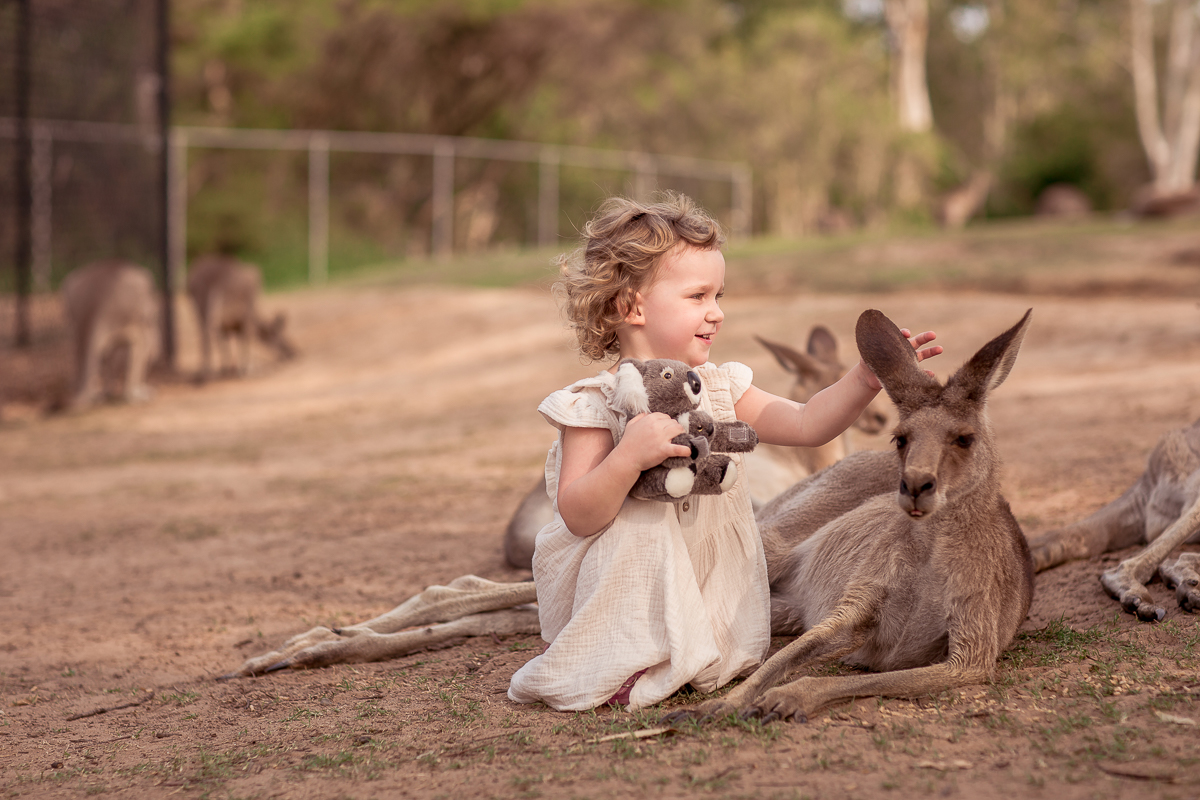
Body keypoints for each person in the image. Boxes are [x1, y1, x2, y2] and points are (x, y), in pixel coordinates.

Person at [508, 193, 941, 711]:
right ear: (630, 306)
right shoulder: (594, 405)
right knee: (627, 614)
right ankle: (623, 652)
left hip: (703, 572)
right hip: (627, 587)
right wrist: (626, 459)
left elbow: (808, 424)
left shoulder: (720, 389)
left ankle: (697, 641)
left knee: (719, 652)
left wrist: (865, 378)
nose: (716, 314)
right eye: (697, 297)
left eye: (719, 296)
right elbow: (577, 515)